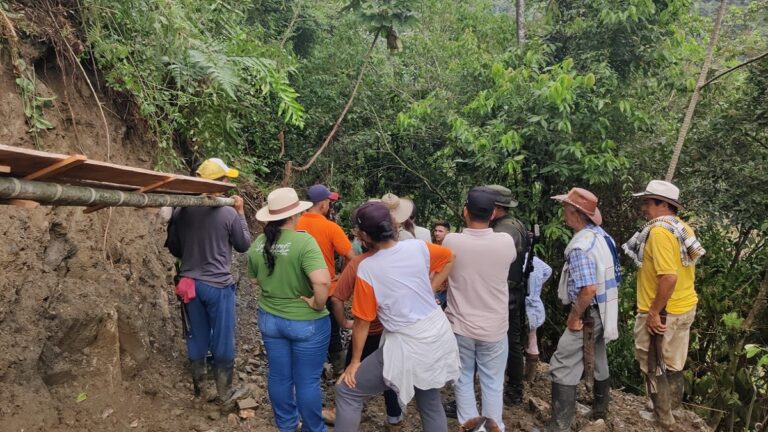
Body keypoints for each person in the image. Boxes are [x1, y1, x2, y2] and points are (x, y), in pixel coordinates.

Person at [334, 202, 460, 432]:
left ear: (363, 235)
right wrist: (430, 288)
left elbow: (363, 321)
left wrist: (354, 362)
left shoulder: (368, 268)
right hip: (437, 332)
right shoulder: (418, 247)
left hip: (407, 341)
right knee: (430, 401)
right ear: (393, 224)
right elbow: (450, 257)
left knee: (347, 392)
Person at [165, 157, 250, 402]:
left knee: (197, 335)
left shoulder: (181, 209)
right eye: (225, 180)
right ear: (218, 183)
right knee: (222, 337)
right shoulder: (228, 213)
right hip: (218, 286)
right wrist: (241, 213)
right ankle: (225, 393)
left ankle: (199, 390)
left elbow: (177, 248)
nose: (227, 184)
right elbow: (243, 245)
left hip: (189, 284)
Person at [248, 187, 332, 432]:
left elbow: (254, 280)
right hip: (305, 322)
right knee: (306, 381)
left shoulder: (258, 243)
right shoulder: (304, 241)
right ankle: (313, 429)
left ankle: (287, 425)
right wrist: (317, 304)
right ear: (296, 215)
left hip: (270, 319)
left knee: (279, 375)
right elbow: (322, 282)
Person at [623, 180, 704, 430]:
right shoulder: (682, 227)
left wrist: (655, 312)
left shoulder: (658, 232)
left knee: (653, 361)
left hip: (663, 310)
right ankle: (672, 409)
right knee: (674, 361)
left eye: (648, 202)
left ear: (663, 204)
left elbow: (668, 277)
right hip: (685, 305)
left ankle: (662, 415)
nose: (644, 207)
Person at [547, 188, 621, 431]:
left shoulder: (580, 247)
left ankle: (560, 425)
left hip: (589, 313)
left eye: (566, 210)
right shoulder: (600, 235)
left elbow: (588, 289)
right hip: (605, 309)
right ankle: (600, 410)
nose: (563, 214)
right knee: (599, 356)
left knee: (562, 362)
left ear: (575, 213)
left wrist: (573, 317)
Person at [443, 187, 517, 430]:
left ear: (466, 212)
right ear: (494, 213)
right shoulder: (505, 242)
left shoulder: (451, 241)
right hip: (494, 328)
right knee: (493, 382)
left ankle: (470, 427)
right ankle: (494, 427)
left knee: (462, 379)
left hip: (460, 326)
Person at [327, 210, 404, 430]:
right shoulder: (404, 255)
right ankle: (394, 415)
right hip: (395, 329)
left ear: (364, 237)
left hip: (368, 331)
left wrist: (343, 323)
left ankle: (345, 414)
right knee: (391, 371)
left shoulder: (359, 264)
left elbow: (337, 299)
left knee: (351, 378)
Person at [296, 184, 356, 375]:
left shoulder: (294, 222)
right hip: (325, 288)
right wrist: (343, 275)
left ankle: (308, 363)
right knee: (332, 330)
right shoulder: (331, 227)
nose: (330, 206)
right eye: (329, 202)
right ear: (322, 204)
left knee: (304, 329)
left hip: (297, 289)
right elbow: (351, 256)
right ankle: (338, 367)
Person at [485, 184, 529, 406]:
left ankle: (513, 389)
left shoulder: (504, 231)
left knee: (508, 340)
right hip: (510, 289)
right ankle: (513, 387)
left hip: (506, 291)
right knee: (510, 340)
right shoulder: (511, 225)